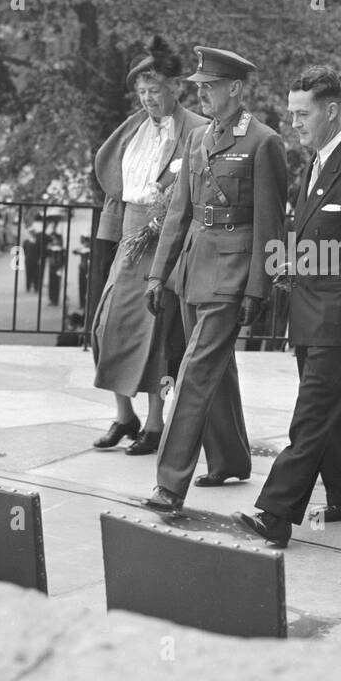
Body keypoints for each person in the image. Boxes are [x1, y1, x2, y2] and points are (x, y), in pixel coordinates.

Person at [233, 65, 341, 547]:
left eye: (302, 114)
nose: (294, 123)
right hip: (310, 310)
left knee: (309, 417)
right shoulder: (317, 162)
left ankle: (276, 512)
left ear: (331, 111)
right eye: (290, 114)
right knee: (331, 408)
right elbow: (326, 233)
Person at [142, 46, 287, 512]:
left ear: (236, 89)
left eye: (210, 87)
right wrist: (158, 273)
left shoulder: (264, 142)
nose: (201, 94)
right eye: (199, 87)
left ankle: (169, 483)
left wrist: (258, 287)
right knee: (214, 367)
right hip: (193, 267)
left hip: (232, 273)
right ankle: (228, 459)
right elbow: (180, 212)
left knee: (195, 373)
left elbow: (270, 224)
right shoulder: (199, 137)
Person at [91, 37, 208, 455]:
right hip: (130, 239)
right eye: (141, 92)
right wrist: (110, 241)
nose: (147, 99)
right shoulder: (133, 130)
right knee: (107, 327)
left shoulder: (196, 129)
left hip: (168, 245)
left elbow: (203, 190)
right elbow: (116, 191)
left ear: (174, 88)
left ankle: (155, 425)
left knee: (157, 333)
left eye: (154, 90)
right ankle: (125, 416)